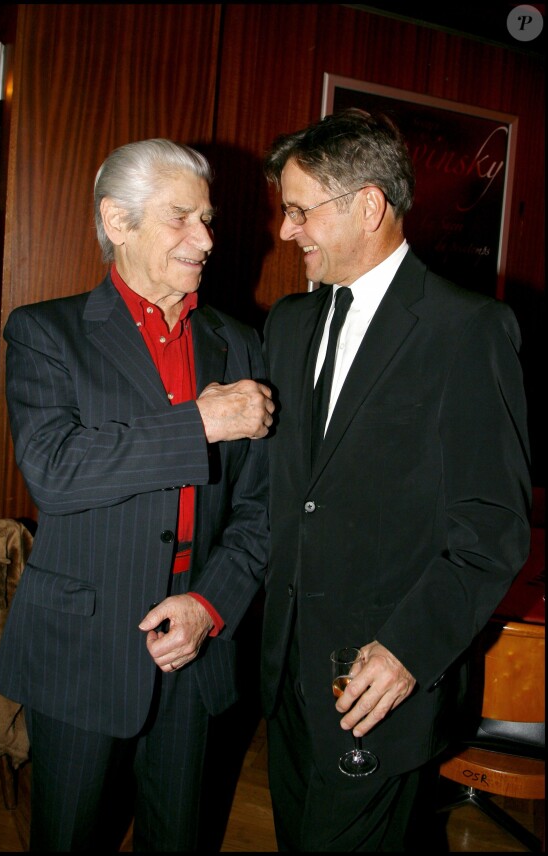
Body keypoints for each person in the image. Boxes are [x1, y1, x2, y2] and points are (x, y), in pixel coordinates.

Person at [0, 138, 274, 852]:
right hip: (81, 648)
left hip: (196, 650)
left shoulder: (240, 345)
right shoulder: (46, 333)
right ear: (118, 222)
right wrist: (201, 421)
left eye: (207, 219)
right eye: (182, 218)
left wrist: (209, 603)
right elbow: (55, 471)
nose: (205, 239)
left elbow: (261, 507)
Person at [260, 108, 531, 851]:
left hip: (382, 680)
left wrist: (410, 648)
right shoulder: (286, 324)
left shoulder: (468, 330)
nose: (287, 233)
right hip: (287, 674)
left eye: (299, 211)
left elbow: (492, 528)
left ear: (369, 205)